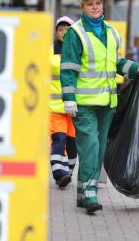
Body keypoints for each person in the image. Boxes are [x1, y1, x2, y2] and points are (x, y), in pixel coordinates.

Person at [60, 0, 139, 214]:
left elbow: (115, 62)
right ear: (82, 7)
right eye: (90, 3)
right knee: (90, 146)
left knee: (98, 149)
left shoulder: (111, 32)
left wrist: (134, 68)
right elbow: (68, 69)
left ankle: (82, 193)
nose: (95, 7)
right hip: (83, 103)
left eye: (98, 3)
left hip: (107, 103)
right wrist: (69, 98)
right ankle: (91, 193)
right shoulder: (75, 33)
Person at [49, 16, 78, 188]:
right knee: (59, 139)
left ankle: (68, 172)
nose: (64, 32)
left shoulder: (79, 53)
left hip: (74, 107)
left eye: (67, 29)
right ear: (56, 32)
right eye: (60, 29)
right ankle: (59, 173)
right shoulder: (48, 52)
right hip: (54, 107)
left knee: (72, 144)